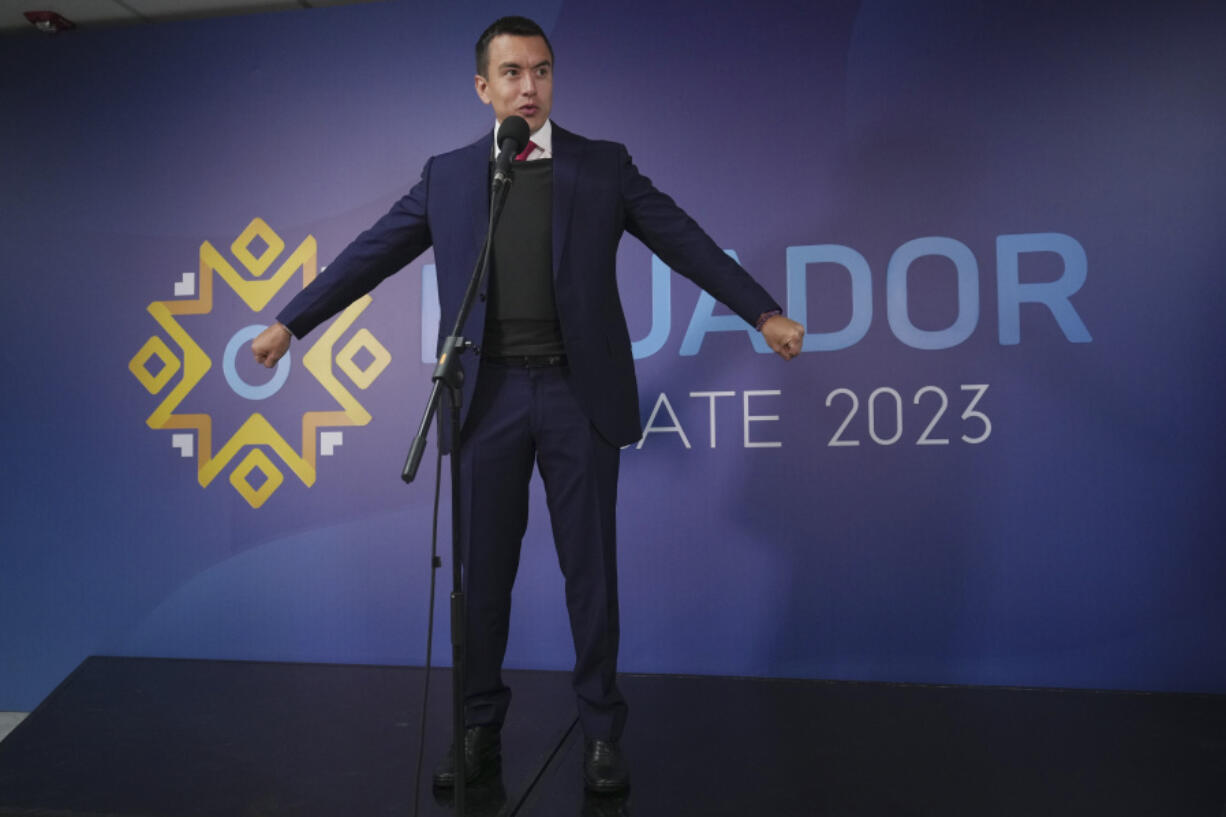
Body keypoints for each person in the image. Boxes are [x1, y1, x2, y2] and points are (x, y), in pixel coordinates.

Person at [252, 15, 805, 794]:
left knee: (591, 574)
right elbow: (371, 252)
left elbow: (687, 240)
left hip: (579, 395)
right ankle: (477, 729)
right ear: (484, 88)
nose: (528, 87)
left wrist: (762, 311)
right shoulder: (449, 175)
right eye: (511, 73)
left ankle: (602, 734)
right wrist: (290, 322)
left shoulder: (601, 165)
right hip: (486, 398)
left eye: (541, 71)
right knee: (481, 579)